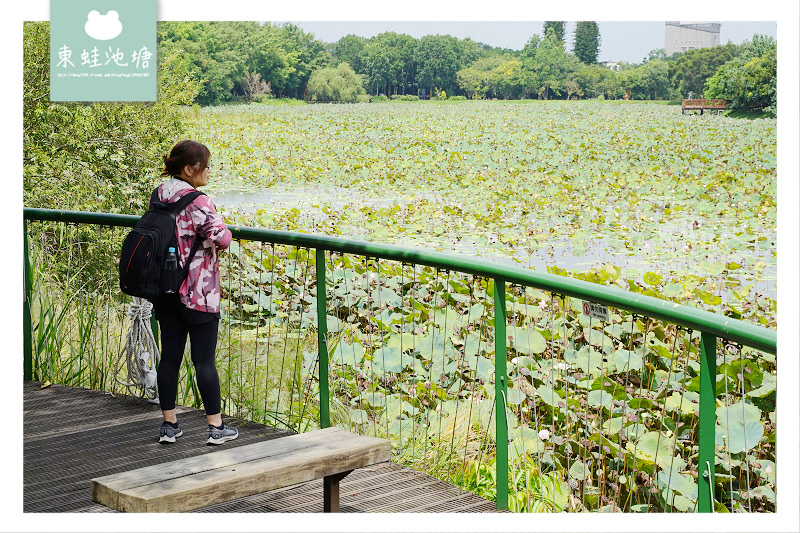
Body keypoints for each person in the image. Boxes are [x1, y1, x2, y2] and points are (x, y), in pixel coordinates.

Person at [153, 140, 238, 446]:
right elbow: (222, 237)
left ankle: (169, 425)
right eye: (205, 165)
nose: (208, 171)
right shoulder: (199, 201)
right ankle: (216, 428)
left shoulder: (160, 193)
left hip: (165, 289)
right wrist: (226, 229)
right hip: (199, 292)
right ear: (189, 169)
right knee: (204, 361)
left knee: (170, 358)